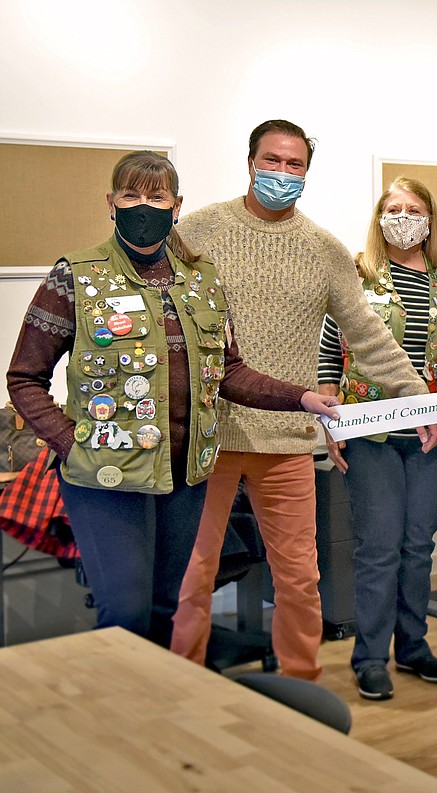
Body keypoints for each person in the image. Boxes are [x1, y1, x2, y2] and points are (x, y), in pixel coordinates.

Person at [5, 151, 341, 649]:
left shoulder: (201, 280)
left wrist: (302, 398)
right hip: (105, 476)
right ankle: (116, 725)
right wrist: (69, 443)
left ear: (177, 205)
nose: (145, 206)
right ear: (111, 203)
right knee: (125, 612)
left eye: (157, 196)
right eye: (131, 195)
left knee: (166, 610)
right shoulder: (76, 276)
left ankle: (154, 721)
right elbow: (24, 377)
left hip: (184, 476)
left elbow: (227, 372)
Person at [170, 120, 437, 681]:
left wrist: (417, 399)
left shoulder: (323, 250)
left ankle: (302, 689)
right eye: (273, 161)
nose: (282, 174)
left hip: (287, 437)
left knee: (299, 579)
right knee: (192, 576)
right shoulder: (197, 232)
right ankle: (182, 694)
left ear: (306, 174)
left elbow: (366, 334)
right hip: (207, 437)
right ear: (250, 162)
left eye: (295, 166)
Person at [316, 178, 437, 699]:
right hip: (372, 433)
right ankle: (369, 656)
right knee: (379, 547)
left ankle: (412, 646)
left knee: (417, 545)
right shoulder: (357, 274)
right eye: (394, 208)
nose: (403, 217)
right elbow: (329, 351)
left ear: (430, 219)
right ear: (379, 215)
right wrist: (330, 419)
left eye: (414, 209)